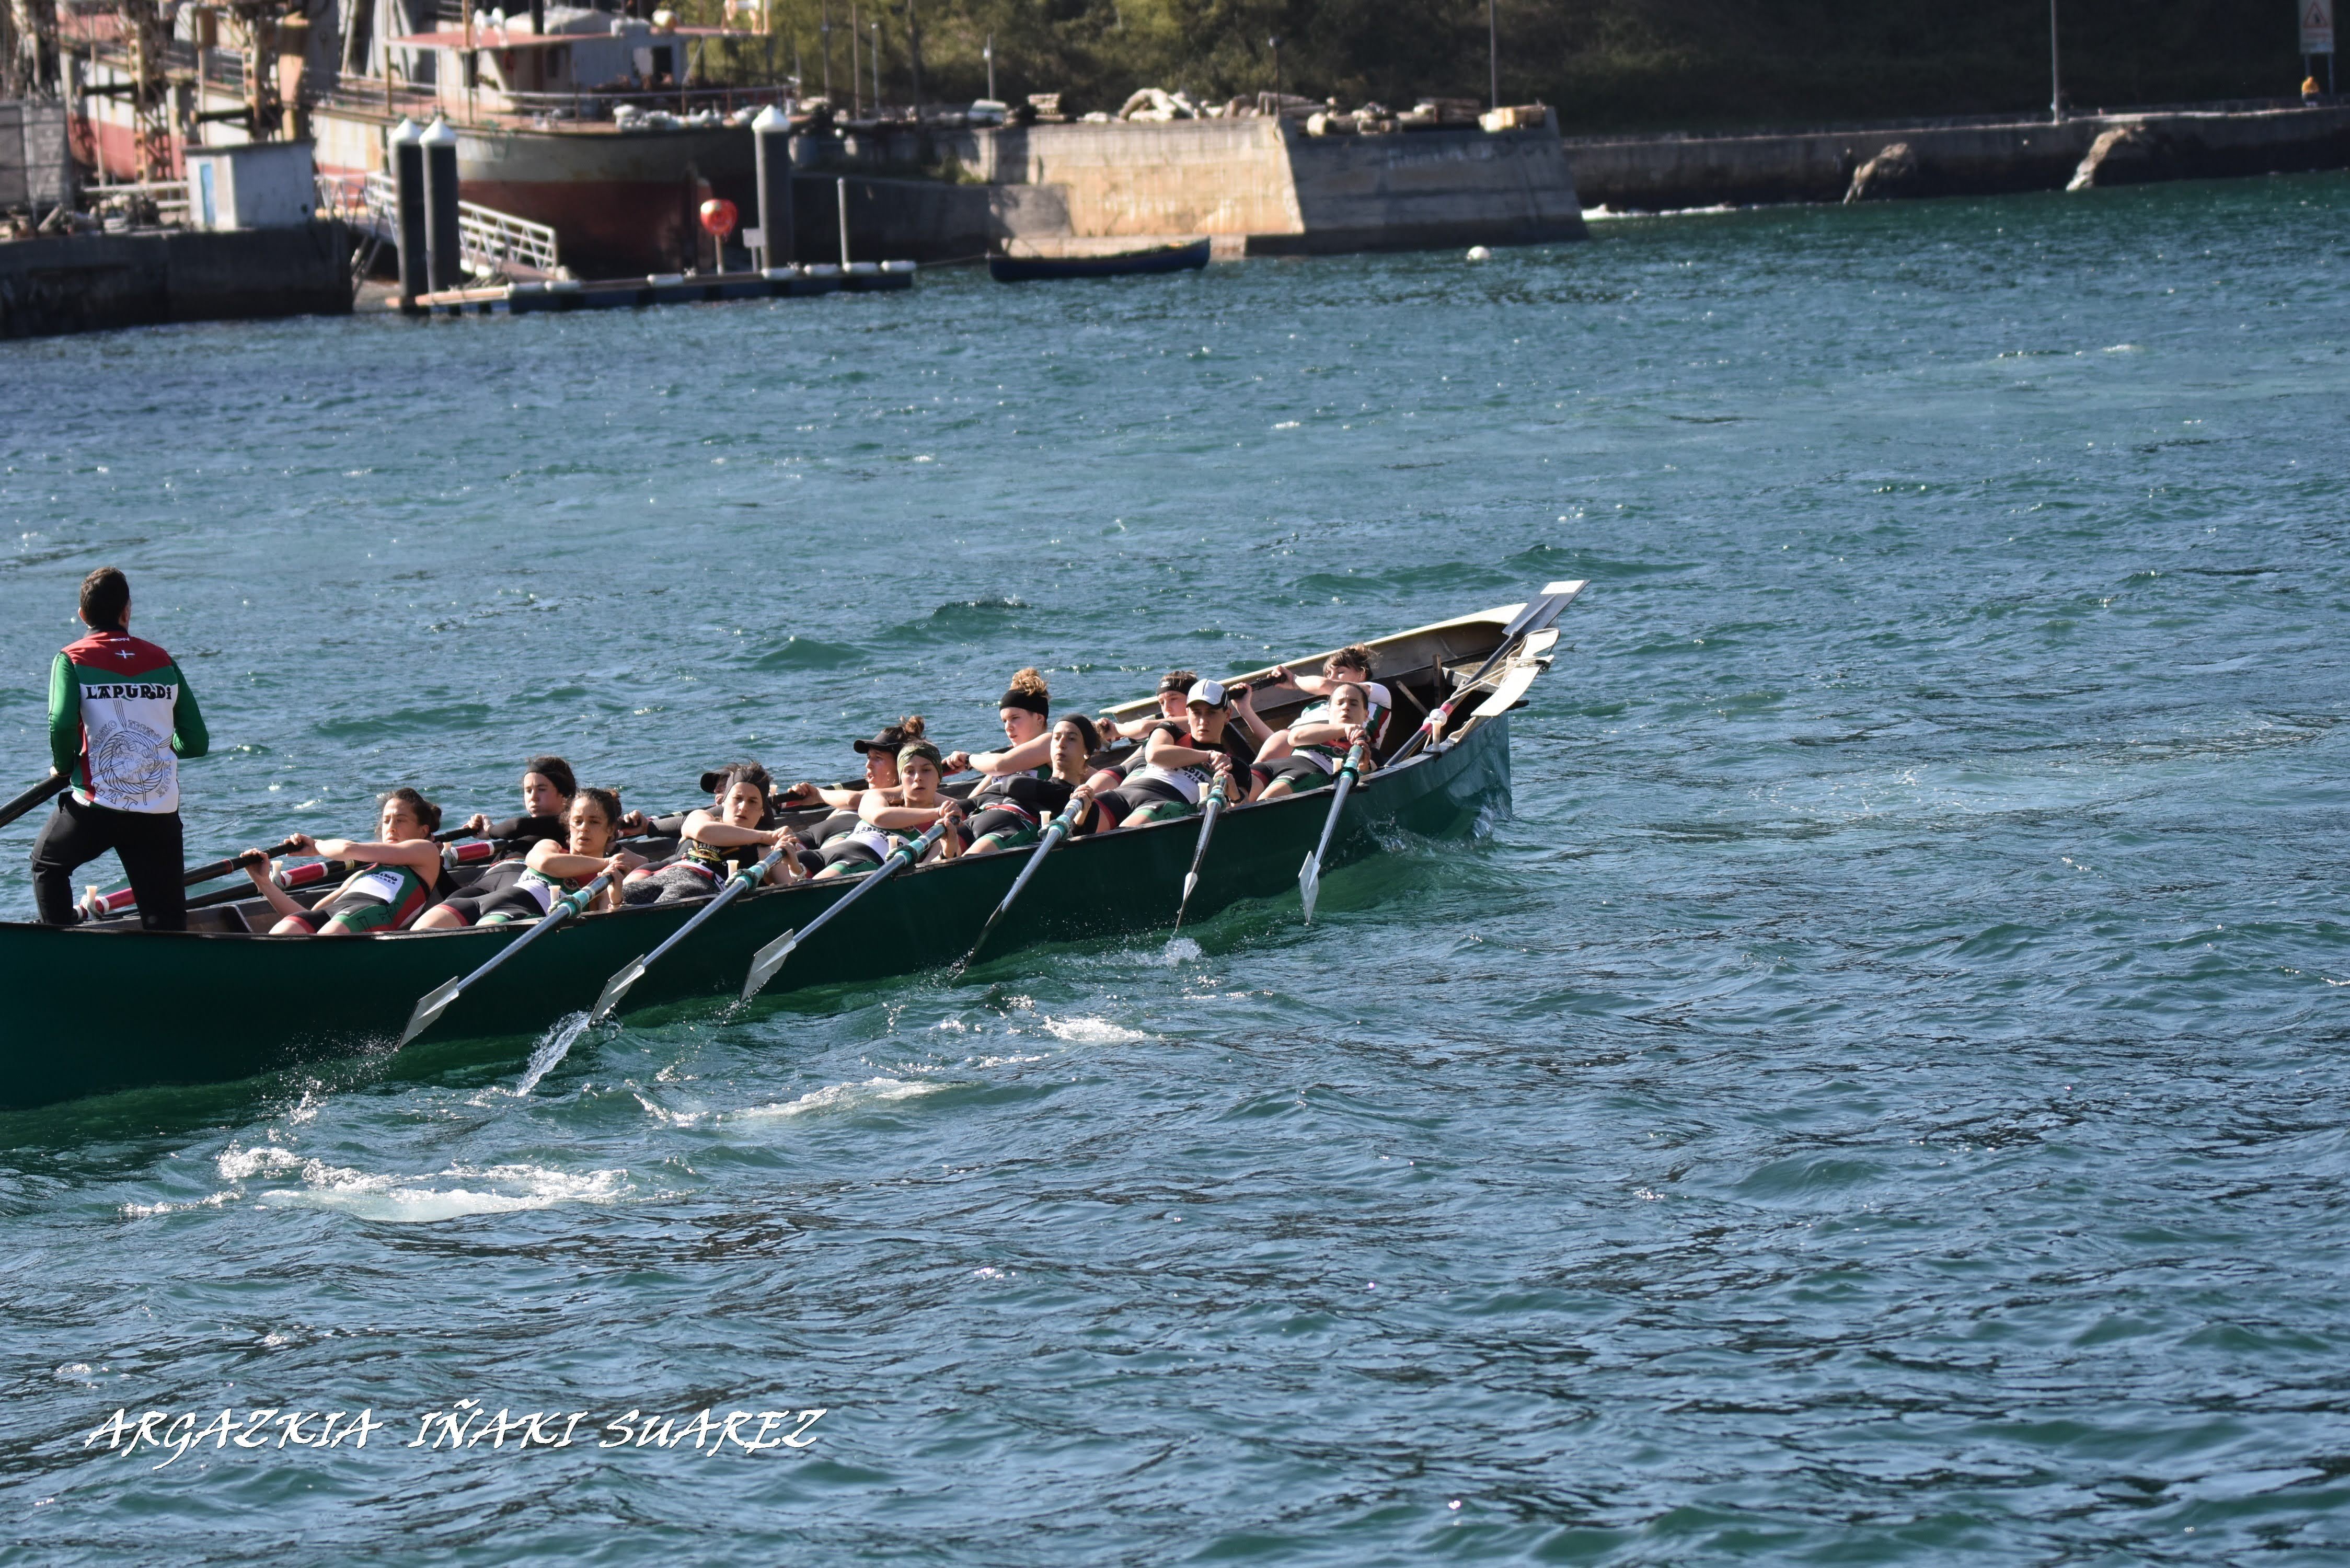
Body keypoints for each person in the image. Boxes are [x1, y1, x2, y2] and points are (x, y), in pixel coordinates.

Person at [31, 566, 209, 931]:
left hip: (99, 807)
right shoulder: (163, 660)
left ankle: (62, 955)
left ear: (83, 615)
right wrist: (159, 750)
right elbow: (196, 742)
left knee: (47, 866)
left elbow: (61, 724)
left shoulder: (72, 658)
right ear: (127, 611)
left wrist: (64, 766)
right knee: (166, 921)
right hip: (159, 810)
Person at [413, 787, 646, 928]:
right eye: (578, 821)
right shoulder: (549, 846)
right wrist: (606, 861)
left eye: (594, 822)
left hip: (517, 914)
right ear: (568, 825)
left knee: (479, 936)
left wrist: (616, 897)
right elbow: (546, 864)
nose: (584, 828)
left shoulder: (603, 881)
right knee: (418, 934)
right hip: (476, 903)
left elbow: (606, 919)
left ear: (610, 830)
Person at [239, 788, 446, 936]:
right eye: (386, 821)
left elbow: (348, 850)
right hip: (338, 914)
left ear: (423, 831)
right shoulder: (361, 875)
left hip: (372, 912)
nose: (391, 828)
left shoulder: (426, 851)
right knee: (284, 931)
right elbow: (308, 915)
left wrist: (316, 846)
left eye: (400, 820)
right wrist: (263, 883)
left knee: (331, 933)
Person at [625, 764, 806, 905]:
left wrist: (794, 866)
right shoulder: (700, 817)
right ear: (723, 801)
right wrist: (767, 835)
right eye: (738, 799)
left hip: (703, 887)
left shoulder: (765, 851)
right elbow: (702, 831)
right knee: (620, 899)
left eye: (753, 802)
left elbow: (796, 898)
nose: (743, 807)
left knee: (672, 900)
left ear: (762, 812)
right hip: (665, 876)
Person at [1080, 680, 1250, 831]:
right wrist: (1208, 755)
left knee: (1122, 835)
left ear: (1227, 715)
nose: (1203, 721)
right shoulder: (1170, 730)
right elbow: (1154, 754)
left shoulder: (1237, 766)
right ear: (1188, 714)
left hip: (1163, 805)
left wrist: (1233, 792)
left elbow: (1242, 809)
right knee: (1080, 818)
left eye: (1211, 713)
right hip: (1125, 794)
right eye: (1197, 713)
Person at [814, 740, 967, 877]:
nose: (918, 777)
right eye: (909, 771)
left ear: (939, 777)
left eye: (926, 770)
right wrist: (936, 812)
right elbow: (879, 817)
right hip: (823, 855)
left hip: (859, 863)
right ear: (900, 777)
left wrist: (948, 851)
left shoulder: (944, 823)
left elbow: (928, 869)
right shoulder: (876, 797)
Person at [967, 713, 1104, 854]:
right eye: (1056, 738)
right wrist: (1068, 793)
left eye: (1071, 739)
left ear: (1087, 752)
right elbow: (1011, 785)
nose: (1061, 744)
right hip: (977, 819)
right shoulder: (1061, 791)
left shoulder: (1085, 804)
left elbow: (1076, 849)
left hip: (1008, 832)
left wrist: (1080, 813)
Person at [782, 719, 919, 846]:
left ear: (900, 766)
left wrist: (818, 795)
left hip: (840, 838)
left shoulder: (903, 792)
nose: (868, 765)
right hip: (812, 835)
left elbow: (852, 800)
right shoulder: (865, 793)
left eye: (877, 758)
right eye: (869, 758)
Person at [1251, 643, 1393, 766]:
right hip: (1301, 752)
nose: (1331, 677)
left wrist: (1294, 680)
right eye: (1328, 673)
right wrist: (1244, 709)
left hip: (1340, 753)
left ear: (1361, 674)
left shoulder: (1378, 693)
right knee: (1265, 758)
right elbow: (1286, 739)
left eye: (1340, 672)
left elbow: (1325, 685)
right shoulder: (1315, 708)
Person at [1247, 681, 1377, 801]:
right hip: (1273, 766)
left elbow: (1369, 774)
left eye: (1353, 704)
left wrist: (1363, 766)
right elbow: (1294, 737)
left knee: (1263, 802)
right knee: (1237, 800)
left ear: (1366, 715)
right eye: (1340, 703)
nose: (1346, 707)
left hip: (1308, 774)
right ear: (1329, 711)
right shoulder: (1316, 731)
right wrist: (1345, 728)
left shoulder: (1369, 750)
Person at [1097, 671, 1194, 744]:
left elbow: (1143, 728)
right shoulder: (1159, 723)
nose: (1167, 708)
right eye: (1162, 703)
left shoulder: (1197, 722)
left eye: (1173, 699)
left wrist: (1114, 729)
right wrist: (1102, 729)